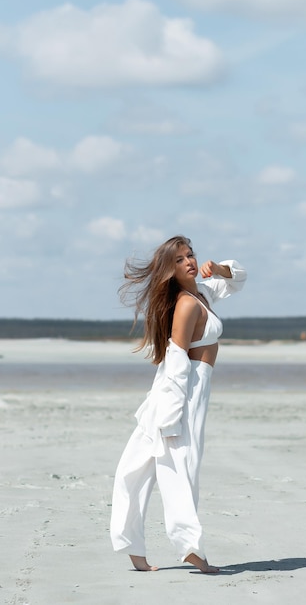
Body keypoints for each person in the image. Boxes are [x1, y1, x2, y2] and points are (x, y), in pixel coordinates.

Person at [110, 235, 246, 573]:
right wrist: (171, 416)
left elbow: (238, 279)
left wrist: (222, 268)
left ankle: (134, 548)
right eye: (180, 259)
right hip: (180, 396)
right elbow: (176, 358)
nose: (188, 261)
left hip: (190, 393)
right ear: (170, 270)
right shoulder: (187, 304)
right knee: (175, 468)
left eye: (190, 255)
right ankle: (189, 548)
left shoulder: (200, 294)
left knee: (136, 468)